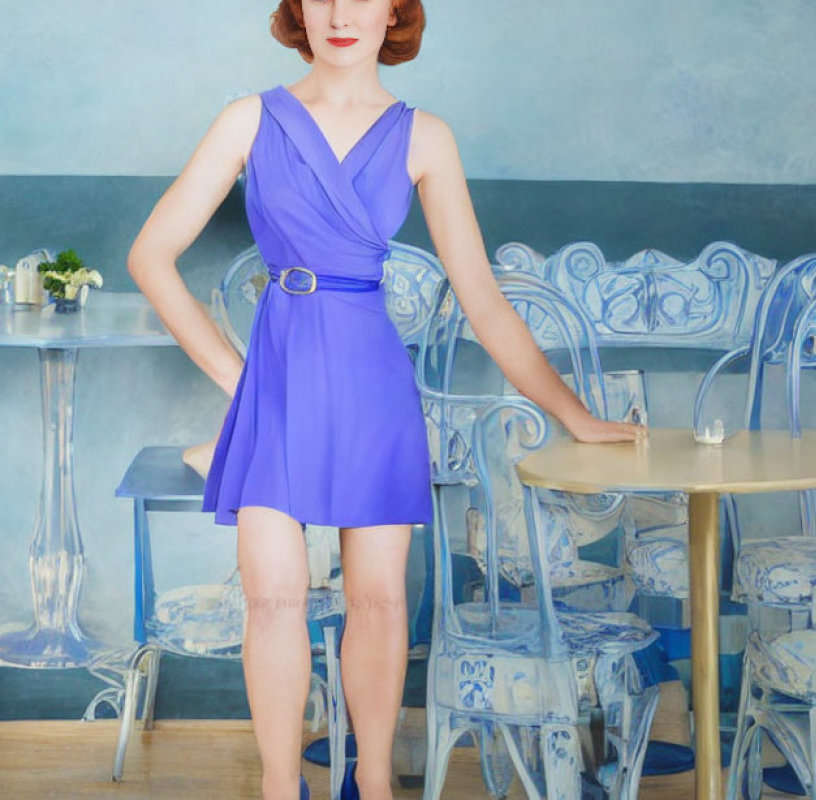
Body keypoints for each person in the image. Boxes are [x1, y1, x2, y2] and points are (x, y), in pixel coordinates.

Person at [127, 1, 649, 798]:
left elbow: (481, 297)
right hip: (280, 379)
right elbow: (150, 257)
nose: (341, 14)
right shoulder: (248, 119)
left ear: (395, 12)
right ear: (299, 9)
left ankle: (374, 785)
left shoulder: (425, 137)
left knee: (377, 600)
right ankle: (278, 786)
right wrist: (243, 383)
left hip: (372, 381)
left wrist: (574, 415)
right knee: (270, 599)